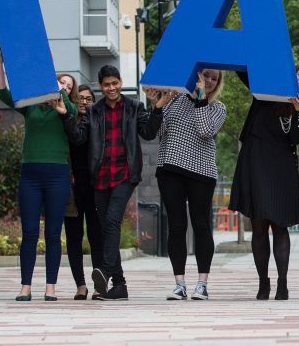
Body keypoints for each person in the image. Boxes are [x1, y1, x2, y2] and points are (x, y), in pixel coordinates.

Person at [0, 49, 77, 302]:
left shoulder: (67, 108)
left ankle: (50, 287)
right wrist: (1, 62)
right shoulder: (31, 106)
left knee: (53, 233)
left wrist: (59, 93)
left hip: (57, 175)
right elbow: (2, 92)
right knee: (29, 233)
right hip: (30, 174)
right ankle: (25, 286)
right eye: (60, 80)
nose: (62, 85)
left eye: (67, 85)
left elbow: (72, 113)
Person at [228, 65, 299, 301]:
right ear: (291, 73)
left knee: (280, 225)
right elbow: (243, 71)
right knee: (258, 224)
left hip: (281, 166)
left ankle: (282, 282)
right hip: (256, 159)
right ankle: (263, 282)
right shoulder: (267, 89)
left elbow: (295, 138)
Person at [144, 68, 228, 301]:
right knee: (177, 226)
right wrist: (157, 106)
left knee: (201, 225)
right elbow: (156, 132)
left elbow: (205, 131)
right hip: (170, 168)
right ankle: (179, 284)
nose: (209, 81)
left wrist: (201, 98)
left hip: (202, 172)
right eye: (206, 76)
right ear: (195, 76)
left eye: (214, 78)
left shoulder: (218, 108)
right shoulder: (173, 99)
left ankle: (202, 284)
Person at [73, 65, 150, 301]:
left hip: (125, 174)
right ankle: (120, 285)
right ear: (101, 86)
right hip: (100, 176)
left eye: (114, 83)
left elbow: (148, 133)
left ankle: (104, 272)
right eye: (106, 85)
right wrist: (67, 114)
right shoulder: (94, 111)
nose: (111, 88)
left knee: (112, 220)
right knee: (108, 228)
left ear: (120, 81)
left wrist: (156, 109)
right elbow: (79, 137)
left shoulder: (134, 107)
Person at [62, 82, 101, 300]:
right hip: (72, 187)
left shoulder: (99, 123)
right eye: (80, 98)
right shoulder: (67, 122)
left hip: (95, 187)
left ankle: (98, 283)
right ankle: (80, 285)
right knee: (74, 237)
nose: (85, 102)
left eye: (89, 99)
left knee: (96, 236)